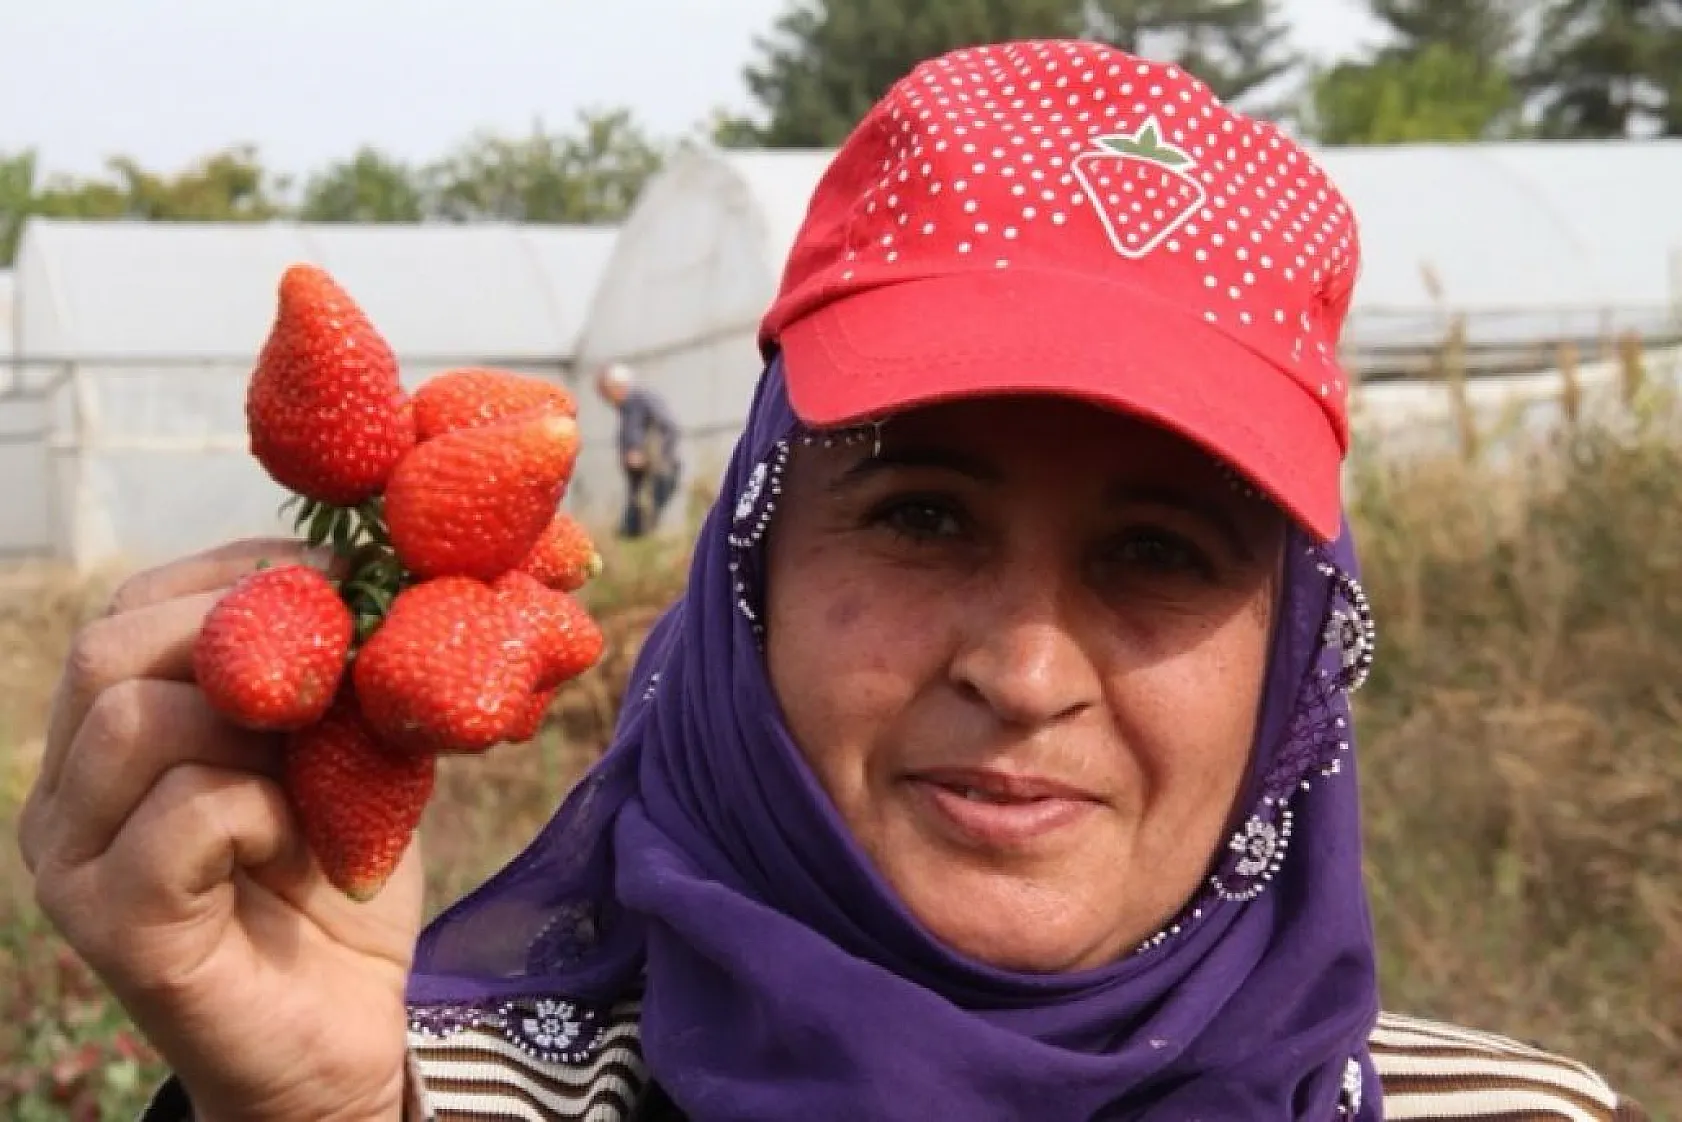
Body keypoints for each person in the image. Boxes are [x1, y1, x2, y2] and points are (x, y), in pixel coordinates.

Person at [17, 41, 1645, 1122]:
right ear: (749, 576)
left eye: (1158, 551)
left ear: (1293, 658)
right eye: (923, 516)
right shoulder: (423, 1096)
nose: (1023, 672)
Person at [595, 361, 682, 539]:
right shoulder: (627, 408)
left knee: (641, 525)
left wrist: (645, 455)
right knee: (632, 527)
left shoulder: (641, 399)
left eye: (605, 391)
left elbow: (669, 428)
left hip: (657, 473)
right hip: (642, 477)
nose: (605, 398)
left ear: (617, 386)